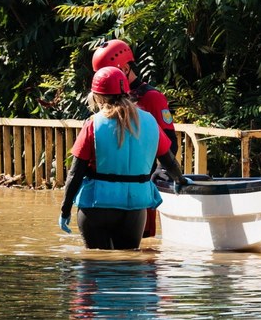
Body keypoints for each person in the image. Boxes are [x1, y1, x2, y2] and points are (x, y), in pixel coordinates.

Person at [60, 65, 186, 250]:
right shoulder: (150, 121)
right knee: (129, 268)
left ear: (97, 96)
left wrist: (64, 210)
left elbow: (75, 173)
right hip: (135, 208)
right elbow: (169, 161)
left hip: (97, 207)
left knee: (96, 267)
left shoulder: (93, 125)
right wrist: (179, 179)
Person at [92, 38, 179, 239]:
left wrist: (158, 174)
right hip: (110, 190)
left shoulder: (151, 98)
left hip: (139, 185)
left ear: (125, 68)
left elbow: (169, 141)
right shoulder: (109, 96)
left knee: (140, 246)